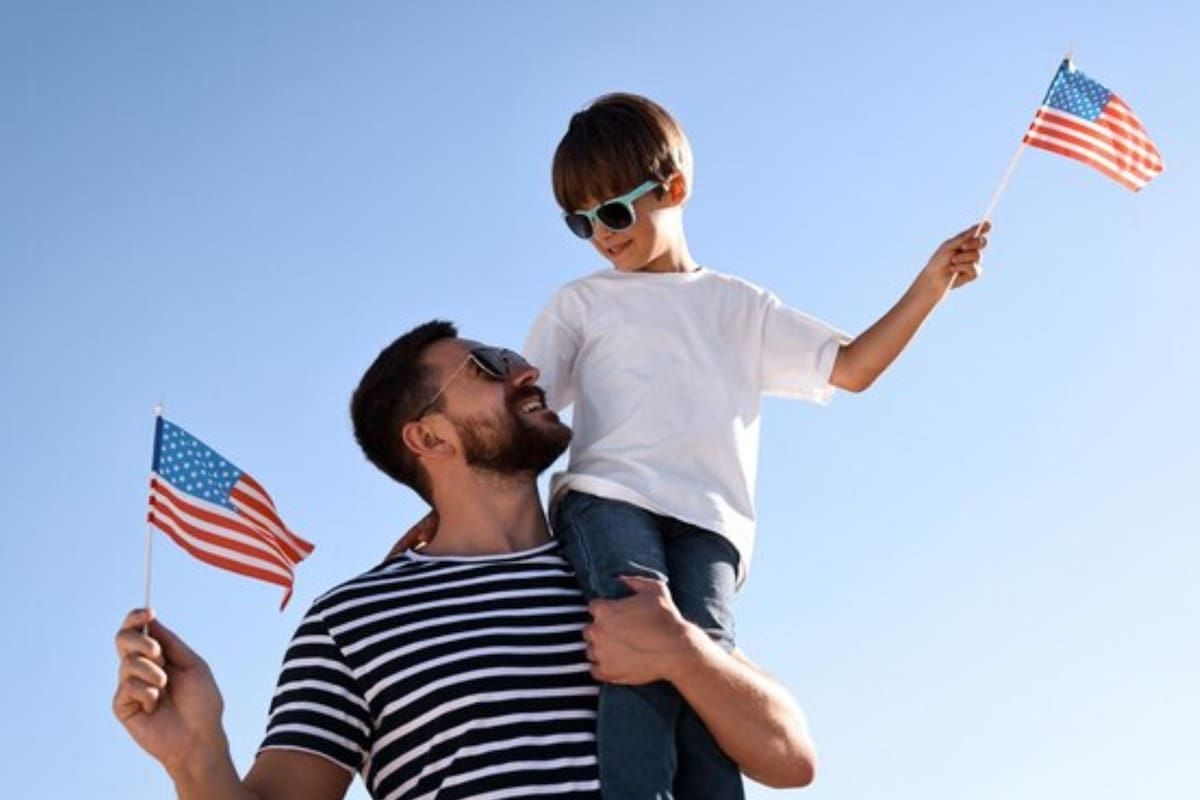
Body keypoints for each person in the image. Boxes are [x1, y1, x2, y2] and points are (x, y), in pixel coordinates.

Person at [113, 320, 817, 800]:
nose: (527, 370)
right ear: (429, 438)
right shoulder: (350, 623)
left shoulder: (619, 564)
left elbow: (790, 757)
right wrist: (195, 756)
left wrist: (686, 656)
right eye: (491, 367)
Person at [522, 92, 990, 799]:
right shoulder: (580, 304)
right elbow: (523, 415)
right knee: (638, 643)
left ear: (674, 189)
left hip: (710, 524)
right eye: (580, 222)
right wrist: (448, 511)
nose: (601, 236)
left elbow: (853, 367)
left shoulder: (740, 307)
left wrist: (931, 285)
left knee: (708, 672)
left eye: (613, 212)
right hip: (609, 501)